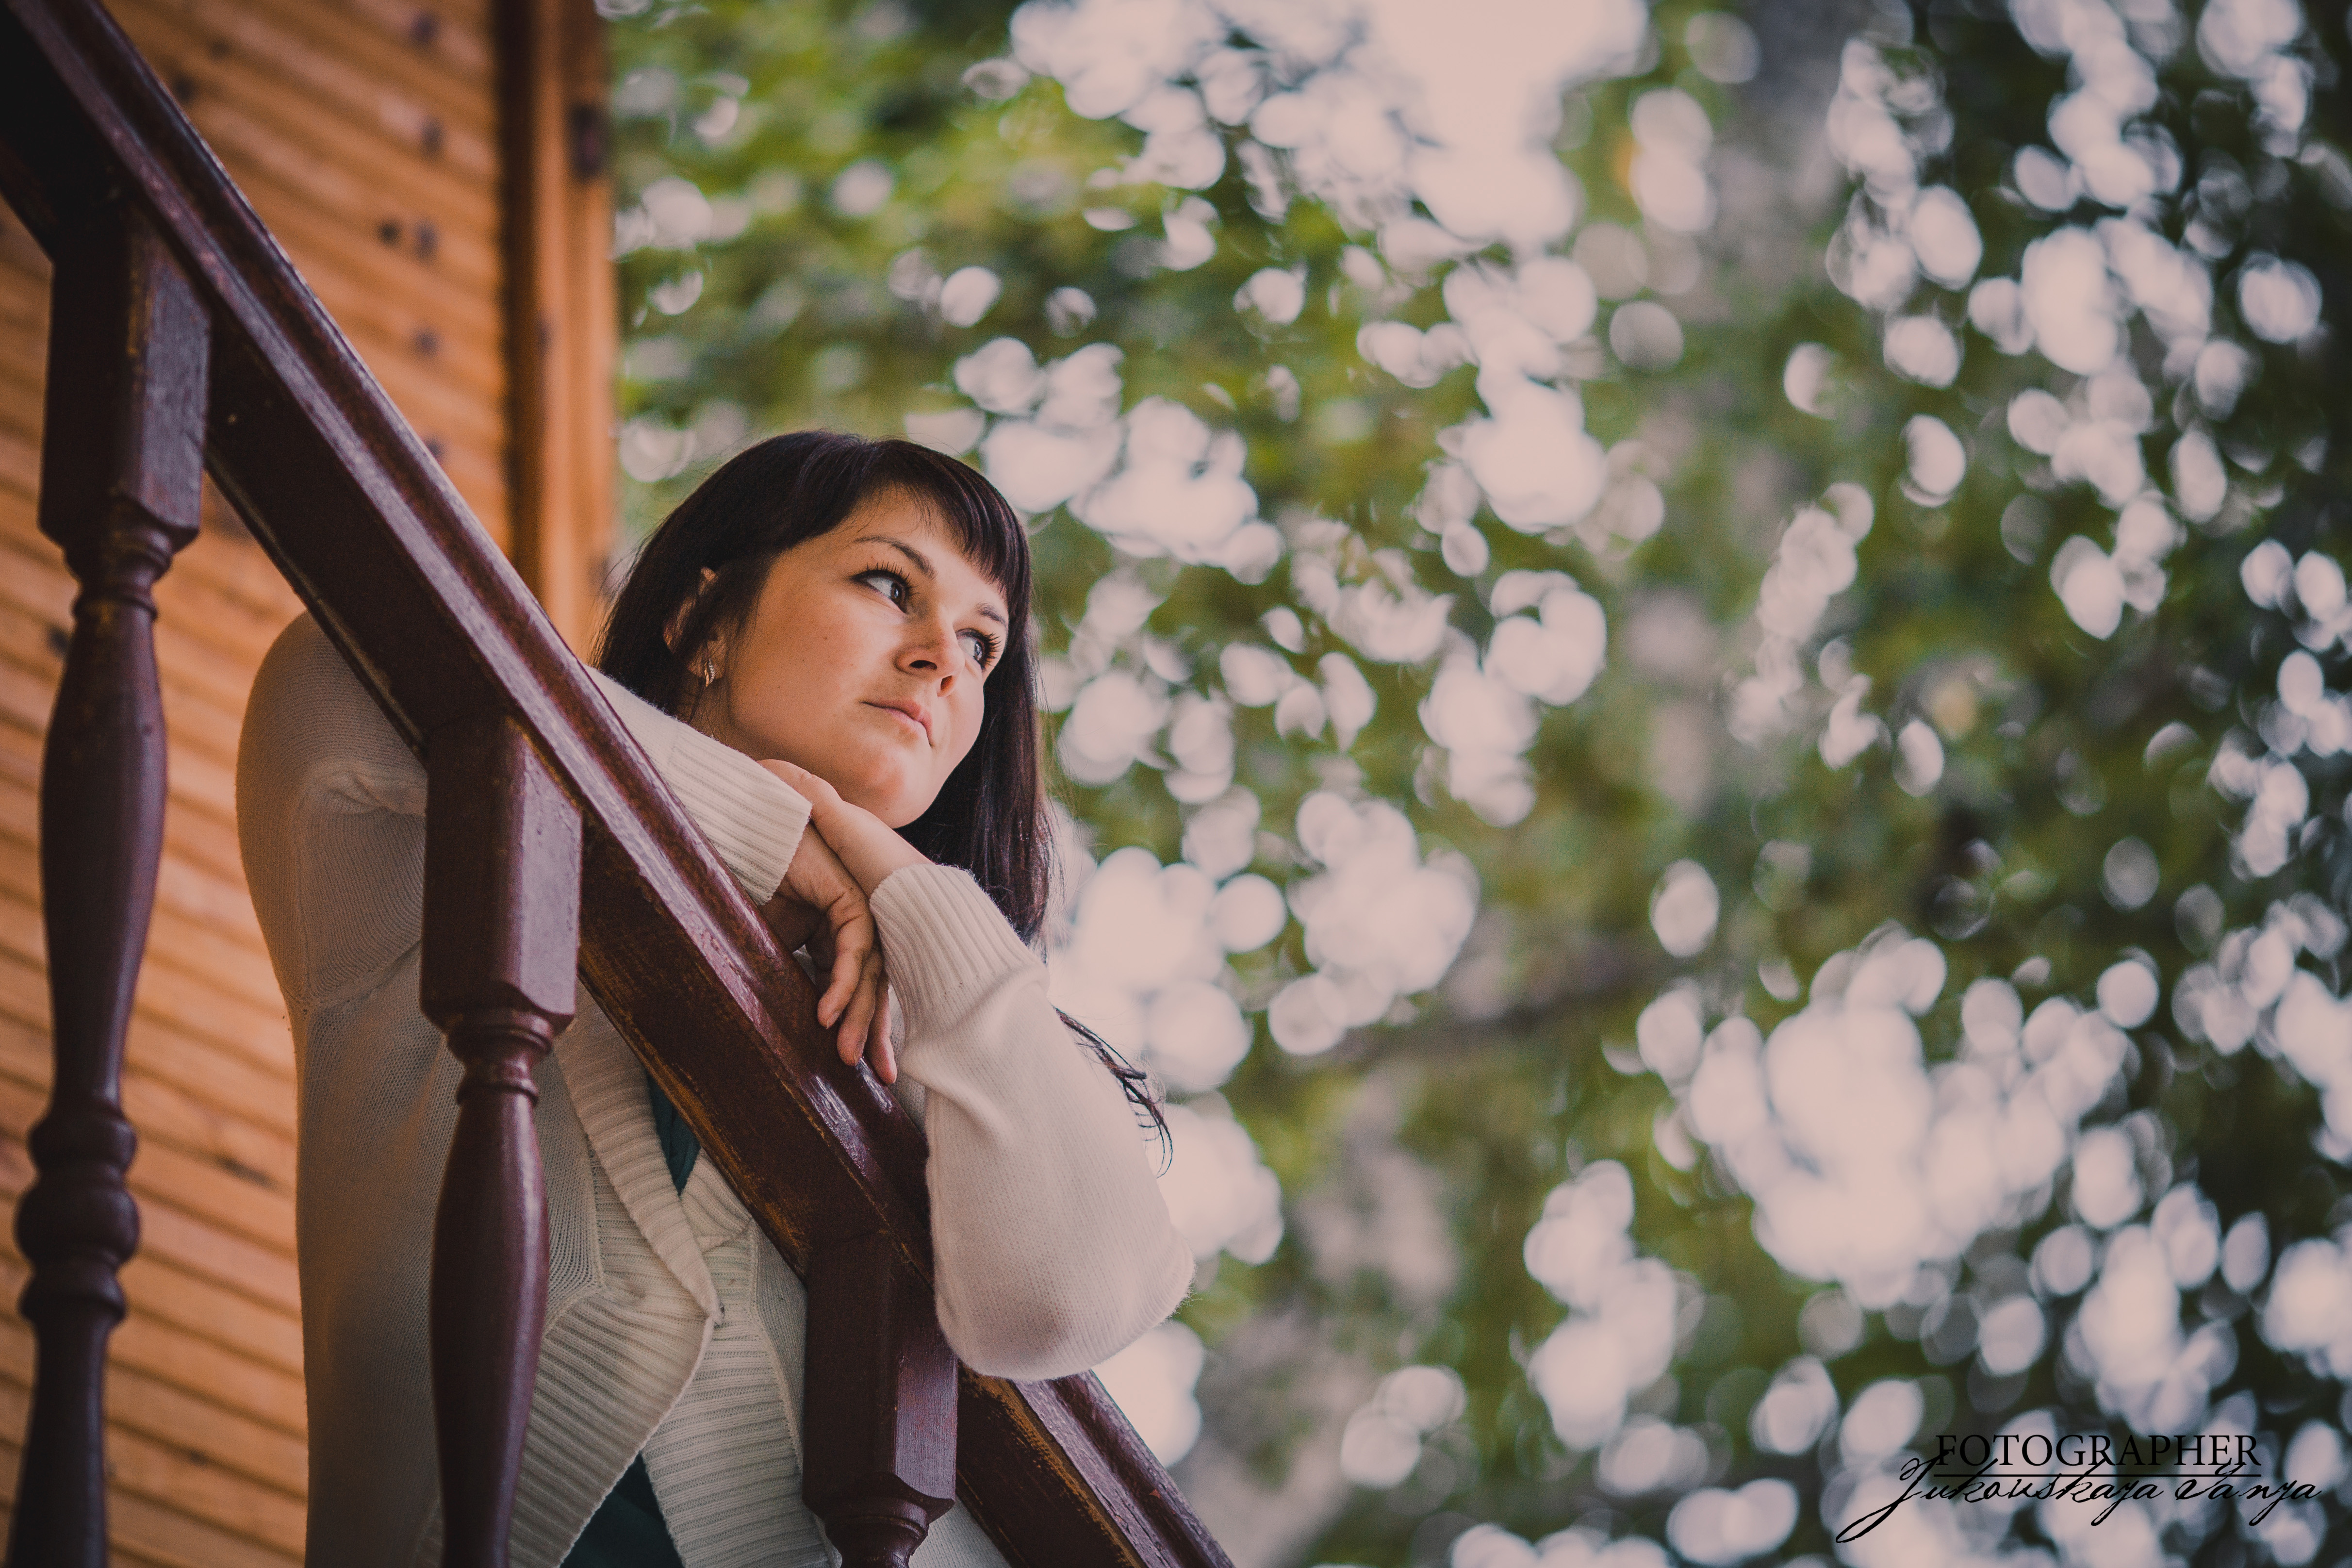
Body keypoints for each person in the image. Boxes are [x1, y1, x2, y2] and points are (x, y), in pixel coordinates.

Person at [236, 432, 1195, 1567]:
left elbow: (1063, 1299)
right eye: (891, 584)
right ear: (704, 623)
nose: (948, 656)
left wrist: (912, 896)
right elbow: (330, 664)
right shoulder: (442, 886)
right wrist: (765, 826)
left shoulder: (933, 1060)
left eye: (986, 645)